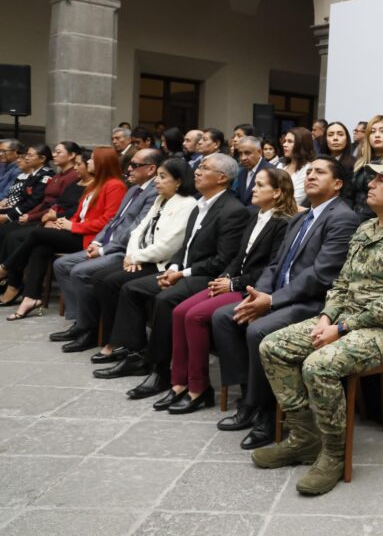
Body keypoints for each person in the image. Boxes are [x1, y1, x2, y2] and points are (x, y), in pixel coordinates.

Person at [253, 151, 383, 496]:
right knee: (273, 346)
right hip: (345, 319)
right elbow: (341, 283)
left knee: (319, 364)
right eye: (373, 178)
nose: (371, 184)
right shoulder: (366, 227)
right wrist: (327, 316)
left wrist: (339, 329)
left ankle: (333, 454)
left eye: (382, 179)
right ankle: (304, 438)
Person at [212, 157, 359, 449]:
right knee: (224, 317)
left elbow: (322, 275)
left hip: (315, 303)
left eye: (320, 172)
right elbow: (275, 265)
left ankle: (267, 414)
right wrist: (260, 294)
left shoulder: (343, 218)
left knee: (258, 330)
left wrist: (271, 301)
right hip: (279, 295)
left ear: (337, 184)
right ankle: (250, 397)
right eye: (309, 171)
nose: (311, 176)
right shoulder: (300, 218)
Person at [100, 153, 249, 401]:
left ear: (222, 178)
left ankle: (160, 371)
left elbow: (222, 260)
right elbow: (184, 246)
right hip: (184, 270)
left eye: (204, 168)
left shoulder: (233, 211)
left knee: (166, 299)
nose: (197, 172)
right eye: (199, 167)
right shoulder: (201, 204)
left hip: (207, 276)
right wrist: (174, 267)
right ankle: (135, 354)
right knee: (132, 288)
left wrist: (182, 273)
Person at [162, 168, 295, 414]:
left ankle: (198, 388)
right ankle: (179, 383)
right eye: (255, 183)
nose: (253, 189)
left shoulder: (283, 223)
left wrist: (233, 284)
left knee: (195, 316)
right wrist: (224, 276)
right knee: (179, 312)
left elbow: (271, 268)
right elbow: (238, 257)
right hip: (233, 281)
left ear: (277, 192)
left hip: (252, 289)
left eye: (260, 185)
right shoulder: (255, 215)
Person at [82, 158, 196, 363]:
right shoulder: (160, 199)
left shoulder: (187, 204)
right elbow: (138, 230)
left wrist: (136, 257)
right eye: (157, 176)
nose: (156, 181)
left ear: (178, 181)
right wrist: (131, 256)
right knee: (100, 278)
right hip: (141, 258)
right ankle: (113, 338)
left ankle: (128, 345)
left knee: (115, 282)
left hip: (162, 263)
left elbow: (170, 245)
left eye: (163, 177)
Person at [49, 148, 162, 344]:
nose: (129, 169)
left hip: (123, 250)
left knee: (79, 271)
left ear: (151, 169)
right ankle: (79, 321)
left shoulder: (153, 193)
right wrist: (97, 241)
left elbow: (136, 229)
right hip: (106, 243)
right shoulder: (133, 189)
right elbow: (113, 221)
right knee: (61, 264)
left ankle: (89, 329)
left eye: (135, 165)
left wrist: (104, 249)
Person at [2, 147, 126, 320]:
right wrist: (62, 224)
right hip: (78, 231)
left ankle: (5, 268)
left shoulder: (115, 186)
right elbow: (79, 214)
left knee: (37, 234)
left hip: (90, 239)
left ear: (102, 163)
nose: (89, 162)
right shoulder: (95, 184)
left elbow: (108, 222)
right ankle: (31, 298)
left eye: (91, 159)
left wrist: (72, 226)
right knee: (40, 248)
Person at [0, 142, 82, 265]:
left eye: (58, 152)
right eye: (54, 152)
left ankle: (8, 272)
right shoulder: (58, 175)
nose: (54, 155)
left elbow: (57, 204)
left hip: (51, 218)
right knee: (6, 231)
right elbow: (44, 201)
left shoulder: (70, 176)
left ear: (71, 155)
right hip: (41, 214)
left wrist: (30, 216)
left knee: (11, 235)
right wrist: (29, 215)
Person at [348, 115, 383, 221]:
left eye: (382, 131)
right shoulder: (360, 163)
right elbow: (350, 195)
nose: (377, 135)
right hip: (353, 218)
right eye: (372, 132)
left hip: (381, 220)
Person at [0, 144, 55, 229]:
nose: (26, 158)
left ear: (42, 159)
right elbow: (23, 198)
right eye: (27, 155)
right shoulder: (35, 174)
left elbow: (34, 202)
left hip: (32, 215)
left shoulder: (45, 175)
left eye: (30, 155)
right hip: (21, 210)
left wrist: (9, 216)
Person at [281, 127, 316, 207]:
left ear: (301, 144)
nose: (284, 144)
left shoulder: (308, 169)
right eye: (285, 141)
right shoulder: (281, 166)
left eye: (290, 141)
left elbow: (295, 200)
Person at [233, 136, 271, 207]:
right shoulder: (241, 172)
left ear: (259, 152)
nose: (243, 158)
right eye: (240, 154)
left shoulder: (271, 171)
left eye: (247, 153)